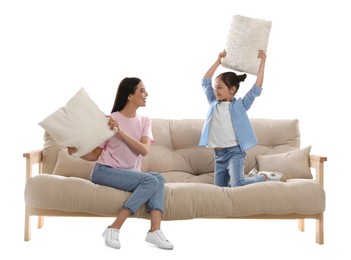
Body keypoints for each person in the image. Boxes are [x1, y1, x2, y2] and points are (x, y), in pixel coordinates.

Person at [67, 77, 174, 250]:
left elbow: (144, 150)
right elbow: (95, 154)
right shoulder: (110, 119)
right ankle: (114, 227)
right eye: (141, 90)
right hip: (104, 171)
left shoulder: (145, 121)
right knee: (151, 180)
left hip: (131, 175)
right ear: (129, 96)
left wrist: (120, 132)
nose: (146, 94)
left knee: (158, 178)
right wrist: (77, 152)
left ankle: (154, 231)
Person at [198, 50, 285, 187]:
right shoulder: (213, 102)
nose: (216, 91)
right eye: (216, 87)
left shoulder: (240, 105)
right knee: (220, 190)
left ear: (232, 90)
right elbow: (205, 81)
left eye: (220, 87)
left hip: (235, 153)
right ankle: (250, 176)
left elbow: (256, 88)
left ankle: (263, 177)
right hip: (219, 155)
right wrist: (218, 62)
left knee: (237, 184)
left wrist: (263, 62)